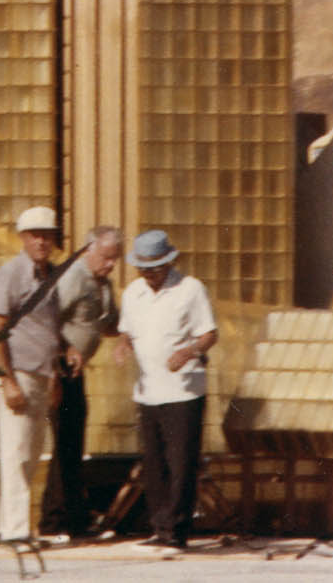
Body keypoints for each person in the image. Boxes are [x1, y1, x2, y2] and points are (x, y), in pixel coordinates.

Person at [116, 229, 218, 559]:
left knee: (180, 463)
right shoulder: (133, 293)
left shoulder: (190, 289)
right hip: (148, 391)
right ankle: (160, 527)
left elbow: (209, 334)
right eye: (143, 268)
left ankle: (177, 531)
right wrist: (123, 346)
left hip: (183, 391)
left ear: (169, 263)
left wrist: (188, 352)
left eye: (155, 268)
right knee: (154, 463)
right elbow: (126, 331)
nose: (149, 274)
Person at [0, 205, 63, 544]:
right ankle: (14, 531)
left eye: (47, 235)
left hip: (41, 375)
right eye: (35, 235)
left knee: (29, 456)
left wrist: (54, 377)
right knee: (16, 454)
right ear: (23, 238)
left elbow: (50, 330)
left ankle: (14, 527)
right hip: (17, 374)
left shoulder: (52, 276)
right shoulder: (11, 274)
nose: (42, 241)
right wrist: (8, 381)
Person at [39, 225, 123, 541]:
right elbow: (47, 319)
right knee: (64, 443)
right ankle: (53, 521)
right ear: (89, 250)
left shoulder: (104, 285)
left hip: (76, 372)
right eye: (105, 257)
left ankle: (75, 519)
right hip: (58, 368)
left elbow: (108, 324)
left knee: (74, 443)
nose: (111, 264)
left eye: (115, 259)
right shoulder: (73, 277)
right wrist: (64, 350)